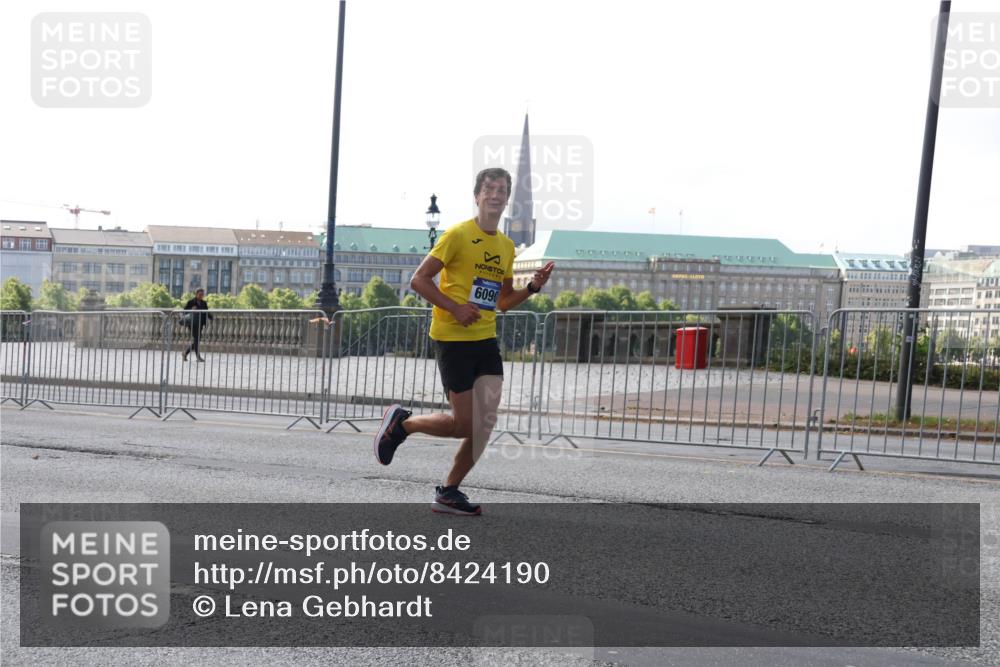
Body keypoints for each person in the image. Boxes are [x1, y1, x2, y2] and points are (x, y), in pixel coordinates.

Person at [374, 167, 555, 515]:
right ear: (477, 196)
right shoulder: (457, 234)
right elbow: (419, 280)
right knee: (464, 425)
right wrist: (455, 308)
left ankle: (449, 492)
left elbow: (503, 302)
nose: (496, 195)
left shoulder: (506, 246)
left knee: (484, 425)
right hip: (453, 339)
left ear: (507, 199)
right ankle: (402, 424)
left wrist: (533, 287)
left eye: (502, 190)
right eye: (490, 189)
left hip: (485, 340)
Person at [182, 288, 213, 362]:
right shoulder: (191, 302)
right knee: (196, 339)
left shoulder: (204, 303)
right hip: (192, 323)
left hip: (200, 323)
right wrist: (191, 309)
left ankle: (185, 353)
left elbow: (206, 312)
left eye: (202, 294)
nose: (201, 296)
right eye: (200, 294)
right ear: (196, 294)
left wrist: (211, 317)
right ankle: (198, 357)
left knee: (197, 340)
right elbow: (184, 312)